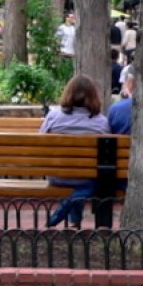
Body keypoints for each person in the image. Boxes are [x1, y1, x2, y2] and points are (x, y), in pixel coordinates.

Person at [41, 74, 110, 227]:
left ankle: (74, 221)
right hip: (87, 178)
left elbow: (41, 142)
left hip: (57, 176)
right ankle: (68, 214)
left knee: (80, 180)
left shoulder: (53, 116)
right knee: (91, 182)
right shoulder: (101, 122)